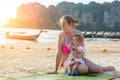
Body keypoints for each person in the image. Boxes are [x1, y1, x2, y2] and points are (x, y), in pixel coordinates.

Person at [47, 15, 115, 75]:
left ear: (70, 24)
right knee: (83, 69)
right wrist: (55, 70)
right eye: (61, 24)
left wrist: (77, 59)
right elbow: (59, 52)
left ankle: (102, 67)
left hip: (79, 59)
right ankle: (86, 69)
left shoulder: (79, 34)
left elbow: (82, 52)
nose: (62, 26)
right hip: (67, 63)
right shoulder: (61, 35)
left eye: (64, 24)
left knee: (98, 70)